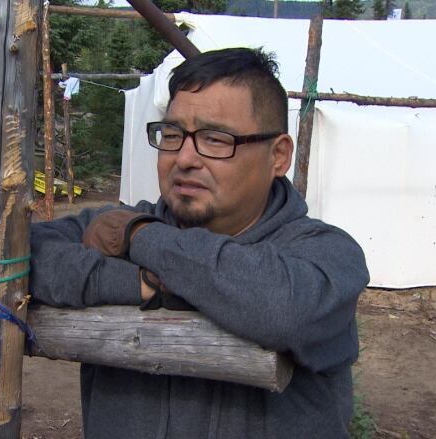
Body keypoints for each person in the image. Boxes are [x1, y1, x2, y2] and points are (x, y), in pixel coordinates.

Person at [29, 47, 369, 439]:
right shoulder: (109, 227)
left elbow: (283, 309)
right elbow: (0, 262)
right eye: (172, 135)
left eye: (214, 139)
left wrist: (142, 238)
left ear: (278, 156)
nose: (184, 158)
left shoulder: (327, 255)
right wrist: (141, 283)